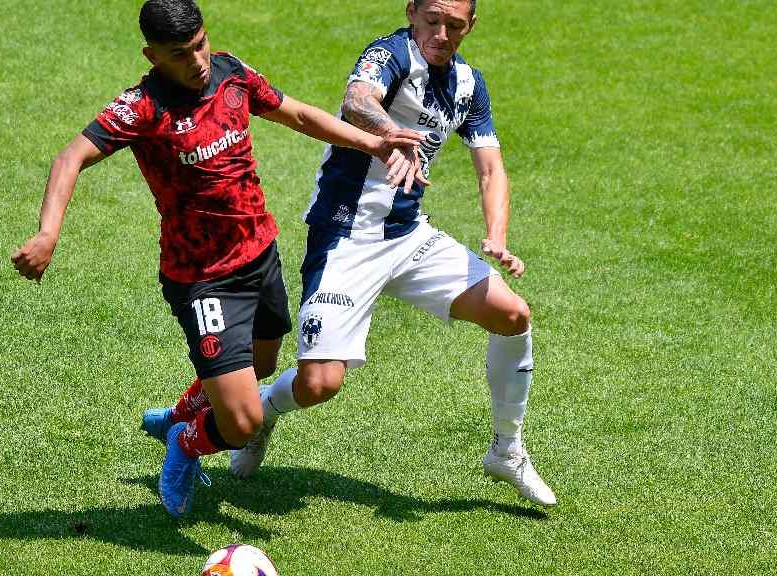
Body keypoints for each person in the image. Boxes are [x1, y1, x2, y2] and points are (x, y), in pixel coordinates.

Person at [11, 0, 423, 517]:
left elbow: (294, 112)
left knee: (264, 365)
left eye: (201, 44)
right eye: (181, 54)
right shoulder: (141, 107)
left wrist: (375, 142)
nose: (198, 60)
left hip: (260, 255)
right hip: (203, 281)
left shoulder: (230, 73)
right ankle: (186, 444)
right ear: (153, 56)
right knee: (244, 422)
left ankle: (179, 416)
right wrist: (49, 233)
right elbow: (70, 156)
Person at [231, 0, 557, 507]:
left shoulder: (470, 84)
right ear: (412, 12)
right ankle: (265, 415)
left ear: (471, 25)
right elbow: (357, 99)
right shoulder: (390, 54)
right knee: (319, 384)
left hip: (408, 237)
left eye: (454, 25)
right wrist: (389, 134)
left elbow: (491, 168)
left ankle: (507, 449)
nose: (441, 33)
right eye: (432, 20)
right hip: (346, 237)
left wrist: (497, 236)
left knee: (513, 315)